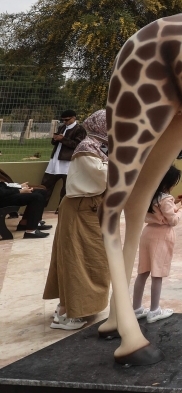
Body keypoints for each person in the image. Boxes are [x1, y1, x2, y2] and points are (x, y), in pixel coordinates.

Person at [43, 111, 109, 329]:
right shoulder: (87, 148)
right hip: (81, 207)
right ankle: (66, 314)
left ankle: (69, 308)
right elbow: (103, 178)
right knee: (78, 261)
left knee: (88, 259)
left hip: (86, 208)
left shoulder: (97, 146)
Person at [132, 166, 182, 324]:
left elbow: (159, 211)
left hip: (148, 233)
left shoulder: (150, 194)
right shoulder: (165, 198)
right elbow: (173, 220)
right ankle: (154, 310)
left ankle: (137, 308)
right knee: (157, 273)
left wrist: (177, 201)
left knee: (143, 272)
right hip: (161, 235)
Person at [41, 109, 87, 205]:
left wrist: (63, 139)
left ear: (74, 118)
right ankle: (39, 207)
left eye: (67, 120)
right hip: (55, 160)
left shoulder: (79, 129)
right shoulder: (62, 127)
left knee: (66, 187)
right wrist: (55, 139)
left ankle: (62, 208)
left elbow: (78, 145)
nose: (64, 122)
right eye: (63, 120)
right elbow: (55, 143)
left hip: (68, 162)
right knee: (46, 184)